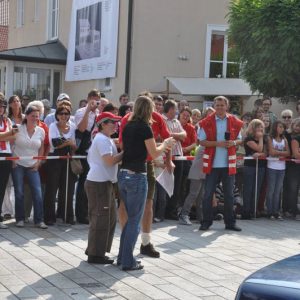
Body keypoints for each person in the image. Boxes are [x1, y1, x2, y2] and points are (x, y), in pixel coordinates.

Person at [117, 96, 174, 271]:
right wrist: (165, 144)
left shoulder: (127, 126)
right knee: (135, 220)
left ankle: (122, 257)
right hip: (137, 176)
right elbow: (154, 153)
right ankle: (128, 261)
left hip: (123, 174)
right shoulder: (145, 127)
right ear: (148, 110)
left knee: (129, 221)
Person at [198, 96, 243, 231]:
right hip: (212, 164)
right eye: (217, 105)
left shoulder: (235, 121)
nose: (219, 107)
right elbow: (201, 141)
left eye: (222, 105)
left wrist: (233, 143)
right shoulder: (206, 121)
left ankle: (230, 223)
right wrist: (218, 144)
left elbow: (240, 139)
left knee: (229, 195)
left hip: (228, 163)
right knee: (208, 195)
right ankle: (206, 222)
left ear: (227, 106)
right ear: (214, 106)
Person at [85, 112, 123, 264]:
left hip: (102, 182)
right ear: (102, 124)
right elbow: (109, 161)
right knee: (101, 219)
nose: (115, 124)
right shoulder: (102, 139)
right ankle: (95, 254)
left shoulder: (104, 138)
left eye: (115, 121)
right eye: (111, 122)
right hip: (99, 183)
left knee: (108, 219)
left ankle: (96, 251)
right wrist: (125, 154)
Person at [11, 105, 47, 229]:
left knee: (37, 192)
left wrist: (38, 163)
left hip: (33, 165)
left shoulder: (41, 131)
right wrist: (13, 160)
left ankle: (39, 220)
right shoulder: (17, 128)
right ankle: (20, 219)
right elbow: (10, 142)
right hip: (18, 164)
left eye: (37, 116)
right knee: (19, 192)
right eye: (32, 116)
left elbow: (42, 148)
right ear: (26, 116)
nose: (35, 118)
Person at [43, 104, 77, 225]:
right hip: (54, 159)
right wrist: (68, 142)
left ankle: (66, 215)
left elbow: (74, 145)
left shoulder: (73, 126)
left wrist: (67, 143)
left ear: (69, 115)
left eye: (66, 114)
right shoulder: (52, 125)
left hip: (68, 159)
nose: (63, 116)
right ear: (57, 115)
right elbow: (54, 144)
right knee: (52, 189)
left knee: (67, 189)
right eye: (61, 113)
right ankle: (49, 217)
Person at [74, 89, 100, 224]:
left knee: (91, 184)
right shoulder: (80, 112)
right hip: (82, 151)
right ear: (89, 98)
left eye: (98, 100)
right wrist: (87, 111)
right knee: (83, 183)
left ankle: (89, 212)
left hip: (93, 152)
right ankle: (80, 214)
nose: (95, 103)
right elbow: (82, 129)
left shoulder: (99, 114)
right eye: (93, 99)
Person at [163, 100, 186, 220]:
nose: (177, 111)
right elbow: (163, 135)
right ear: (170, 109)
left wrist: (173, 135)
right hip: (167, 156)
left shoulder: (176, 121)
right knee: (167, 183)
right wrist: (177, 135)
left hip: (178, 155)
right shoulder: (162, 120)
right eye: (175, 108)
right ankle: (164, 210)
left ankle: (172, 210)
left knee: (177, 185)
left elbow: (184, 135)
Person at [242, 119, 267, 219]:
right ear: (253, 128)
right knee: (248, 189)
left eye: (262, 127)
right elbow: (259, 148)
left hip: (260, 166)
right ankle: (246, 211)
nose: (260, 129)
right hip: (249, 166)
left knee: (257, 188)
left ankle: (254, 210)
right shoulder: (248, 139)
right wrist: (260, 140)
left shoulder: (264, 139)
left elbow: (264, 152)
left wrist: (260, 154)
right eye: (258, 127)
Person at [266, 121, 290, 220]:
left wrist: (278, 153)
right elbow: (271, 152)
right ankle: (270, 211)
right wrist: (281, 152)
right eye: (280, 127)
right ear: (275, 127)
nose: (281, 129)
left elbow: (288, 153)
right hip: (272, 167)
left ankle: (276, 211)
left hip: (282, 168)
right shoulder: (270, 138)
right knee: (271, 190)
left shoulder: (284, 139)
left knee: (278, 191)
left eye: (283, 127)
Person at [0, 99, 17, 229]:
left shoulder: (7, 121)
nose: (1, 108)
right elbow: (10, 134)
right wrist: (9, 133)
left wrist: (5, 135)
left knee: (2, 188)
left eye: (3, 106)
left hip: (6, 155)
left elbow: (13, 137)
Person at [178, 146, 206, 225]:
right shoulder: (205, 146)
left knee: (201, 197)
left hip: (202, 173)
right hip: (197, 173)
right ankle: (183, 215)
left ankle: (200, 218)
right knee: (193, 194)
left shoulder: (206, 146)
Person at [285, 118, 300, 219]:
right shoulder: (295, 139)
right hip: (293, 167)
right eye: (298, 125)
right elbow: (295, 155)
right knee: (293, 189)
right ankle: (293, 211)